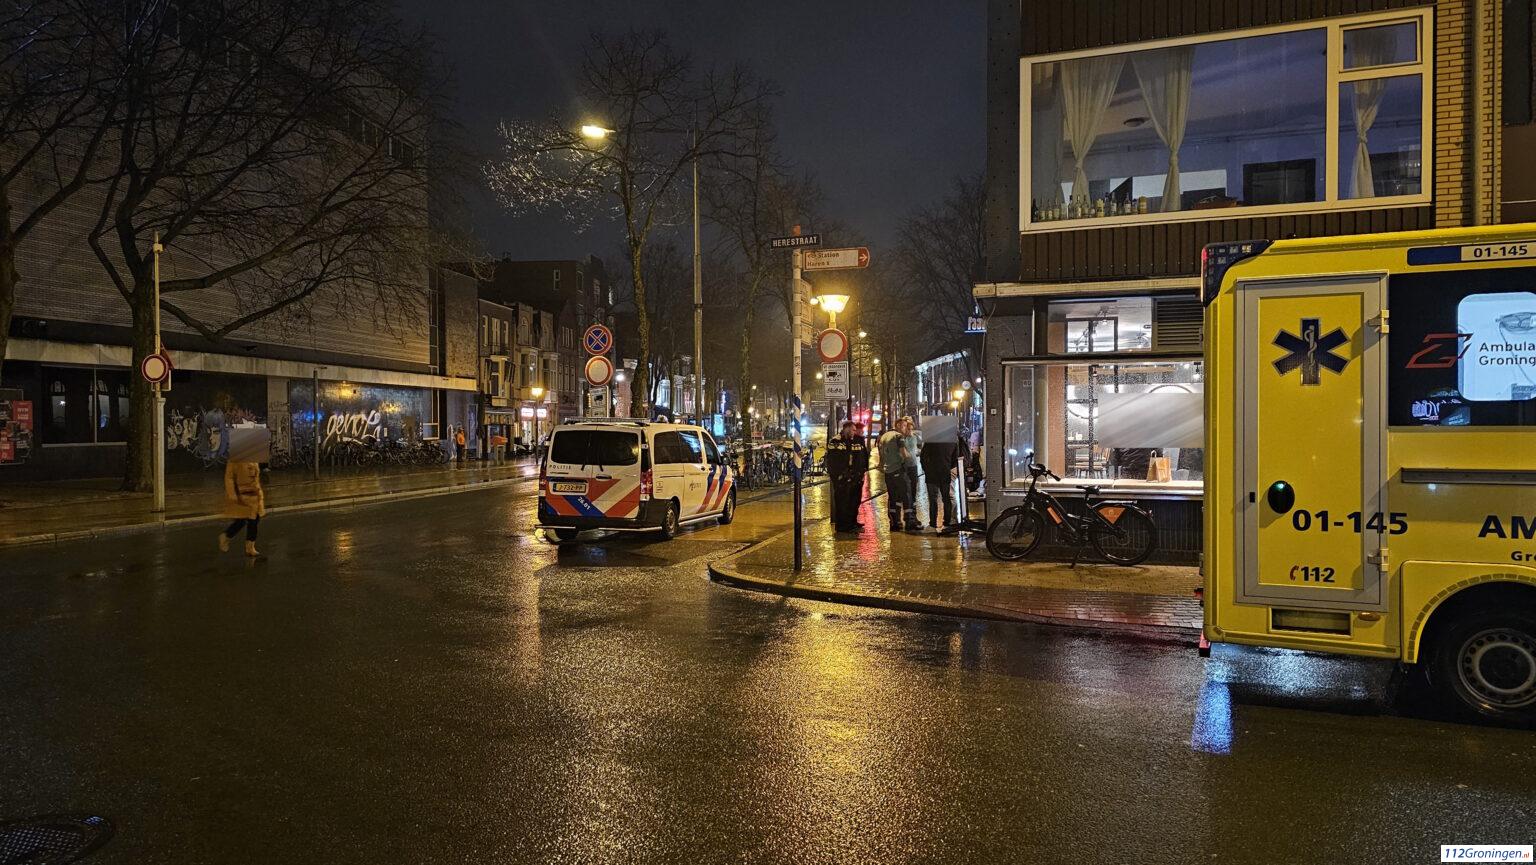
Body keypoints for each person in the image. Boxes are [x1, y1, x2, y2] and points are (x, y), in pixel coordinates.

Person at [920, 425, 970, 533]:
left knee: (933, 500)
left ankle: (933, 524)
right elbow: (954, 459)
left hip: (932, 475)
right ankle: (947, 523)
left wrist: (927, 469)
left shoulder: (930, 441)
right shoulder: (952, 442)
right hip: (945, 473)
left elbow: (923, 457)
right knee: (946, 499)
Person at [824, 421, 869, 533]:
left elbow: (861, 458)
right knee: (843, 502)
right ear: (847, 429)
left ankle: (851, 523)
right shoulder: (836, 441)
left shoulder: (855, 441)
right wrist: (840, 475)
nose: (855, 432)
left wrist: (861, 472)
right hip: (842, 479)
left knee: (853, 501)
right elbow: (834, 461)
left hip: (855, 477)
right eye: (853, 430)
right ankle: (843, 526)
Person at [877, 420, 921, 533]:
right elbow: (904, 453)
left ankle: (894, 522)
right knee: (906, 495)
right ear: (898, 426)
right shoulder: (898, 436)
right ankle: (909, 521)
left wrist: (882, 466)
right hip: (898, 470)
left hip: (888, 472)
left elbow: (881, 455)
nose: (905, 428)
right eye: (904, 426)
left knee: (893, 497)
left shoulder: (883, 436)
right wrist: (911, 456)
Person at [218, 457, 266, 557]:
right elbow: (229, 477)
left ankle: (250, 547)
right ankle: (226, 536)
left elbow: (256, 478)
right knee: (242, 520)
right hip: (242, 495)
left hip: (254, 495)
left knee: (254, 520)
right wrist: (232, 494)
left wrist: (260, 494)